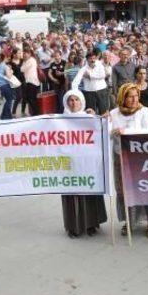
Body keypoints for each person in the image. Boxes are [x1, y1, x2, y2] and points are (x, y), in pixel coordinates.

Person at [109, 83, 148, 237]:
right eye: (129, 96)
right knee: (124, 189)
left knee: (144, 187)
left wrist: (126, 131)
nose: (133, 99)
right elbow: (108, 133)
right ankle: (128, 221)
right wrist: (113, 132)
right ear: (122, 97)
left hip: (140, 157)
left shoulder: (144, 112)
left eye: (136, 96)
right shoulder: (114, 113)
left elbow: (147, 131)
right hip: (120, 156)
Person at [61, 90, 107, 237]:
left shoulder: (89, 118)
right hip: (68, 164)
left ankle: (91, 224)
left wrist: (97, 119)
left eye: (76, 100)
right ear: (66, 102)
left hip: (87, 164)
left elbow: (102, 132)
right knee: (72, 195)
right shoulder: (59, 121)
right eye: (71, 100)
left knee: (89, 192)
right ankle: (73, 227)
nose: (73, 103)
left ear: (82, 102)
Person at [73, 50, 109, 115]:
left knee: (104, 111)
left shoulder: (100, 65)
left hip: (101, 91)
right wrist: (75, 93)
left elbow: (102, 75)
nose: (92, 60)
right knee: (90, 112)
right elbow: (75, 81)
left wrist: (90, 76)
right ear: (87, 59)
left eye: (94, 58)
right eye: (90, 58)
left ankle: (104, 125)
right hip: (89, 93)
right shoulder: (83, 69)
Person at [0, 52, 15, 120]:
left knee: (8, 100)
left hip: (1, 85)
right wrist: (11, 71)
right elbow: (9, 76)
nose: (9, 59)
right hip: (6, 85)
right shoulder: (5, 66)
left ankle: (3, 115)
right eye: (8, 58)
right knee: (9, 100)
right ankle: (7, 116)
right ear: (5, 58)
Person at [21, 48, 40, 116]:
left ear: (29, 54)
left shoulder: (31, 60)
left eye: (26, 53)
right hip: (29, 81)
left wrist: (24, 63)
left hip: (32, 81)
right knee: (31, 98)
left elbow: (22, 69)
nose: (24, 55)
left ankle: (36, 113)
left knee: (31, 98)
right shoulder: (26, 61)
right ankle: (35, 112)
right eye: (24, 53)